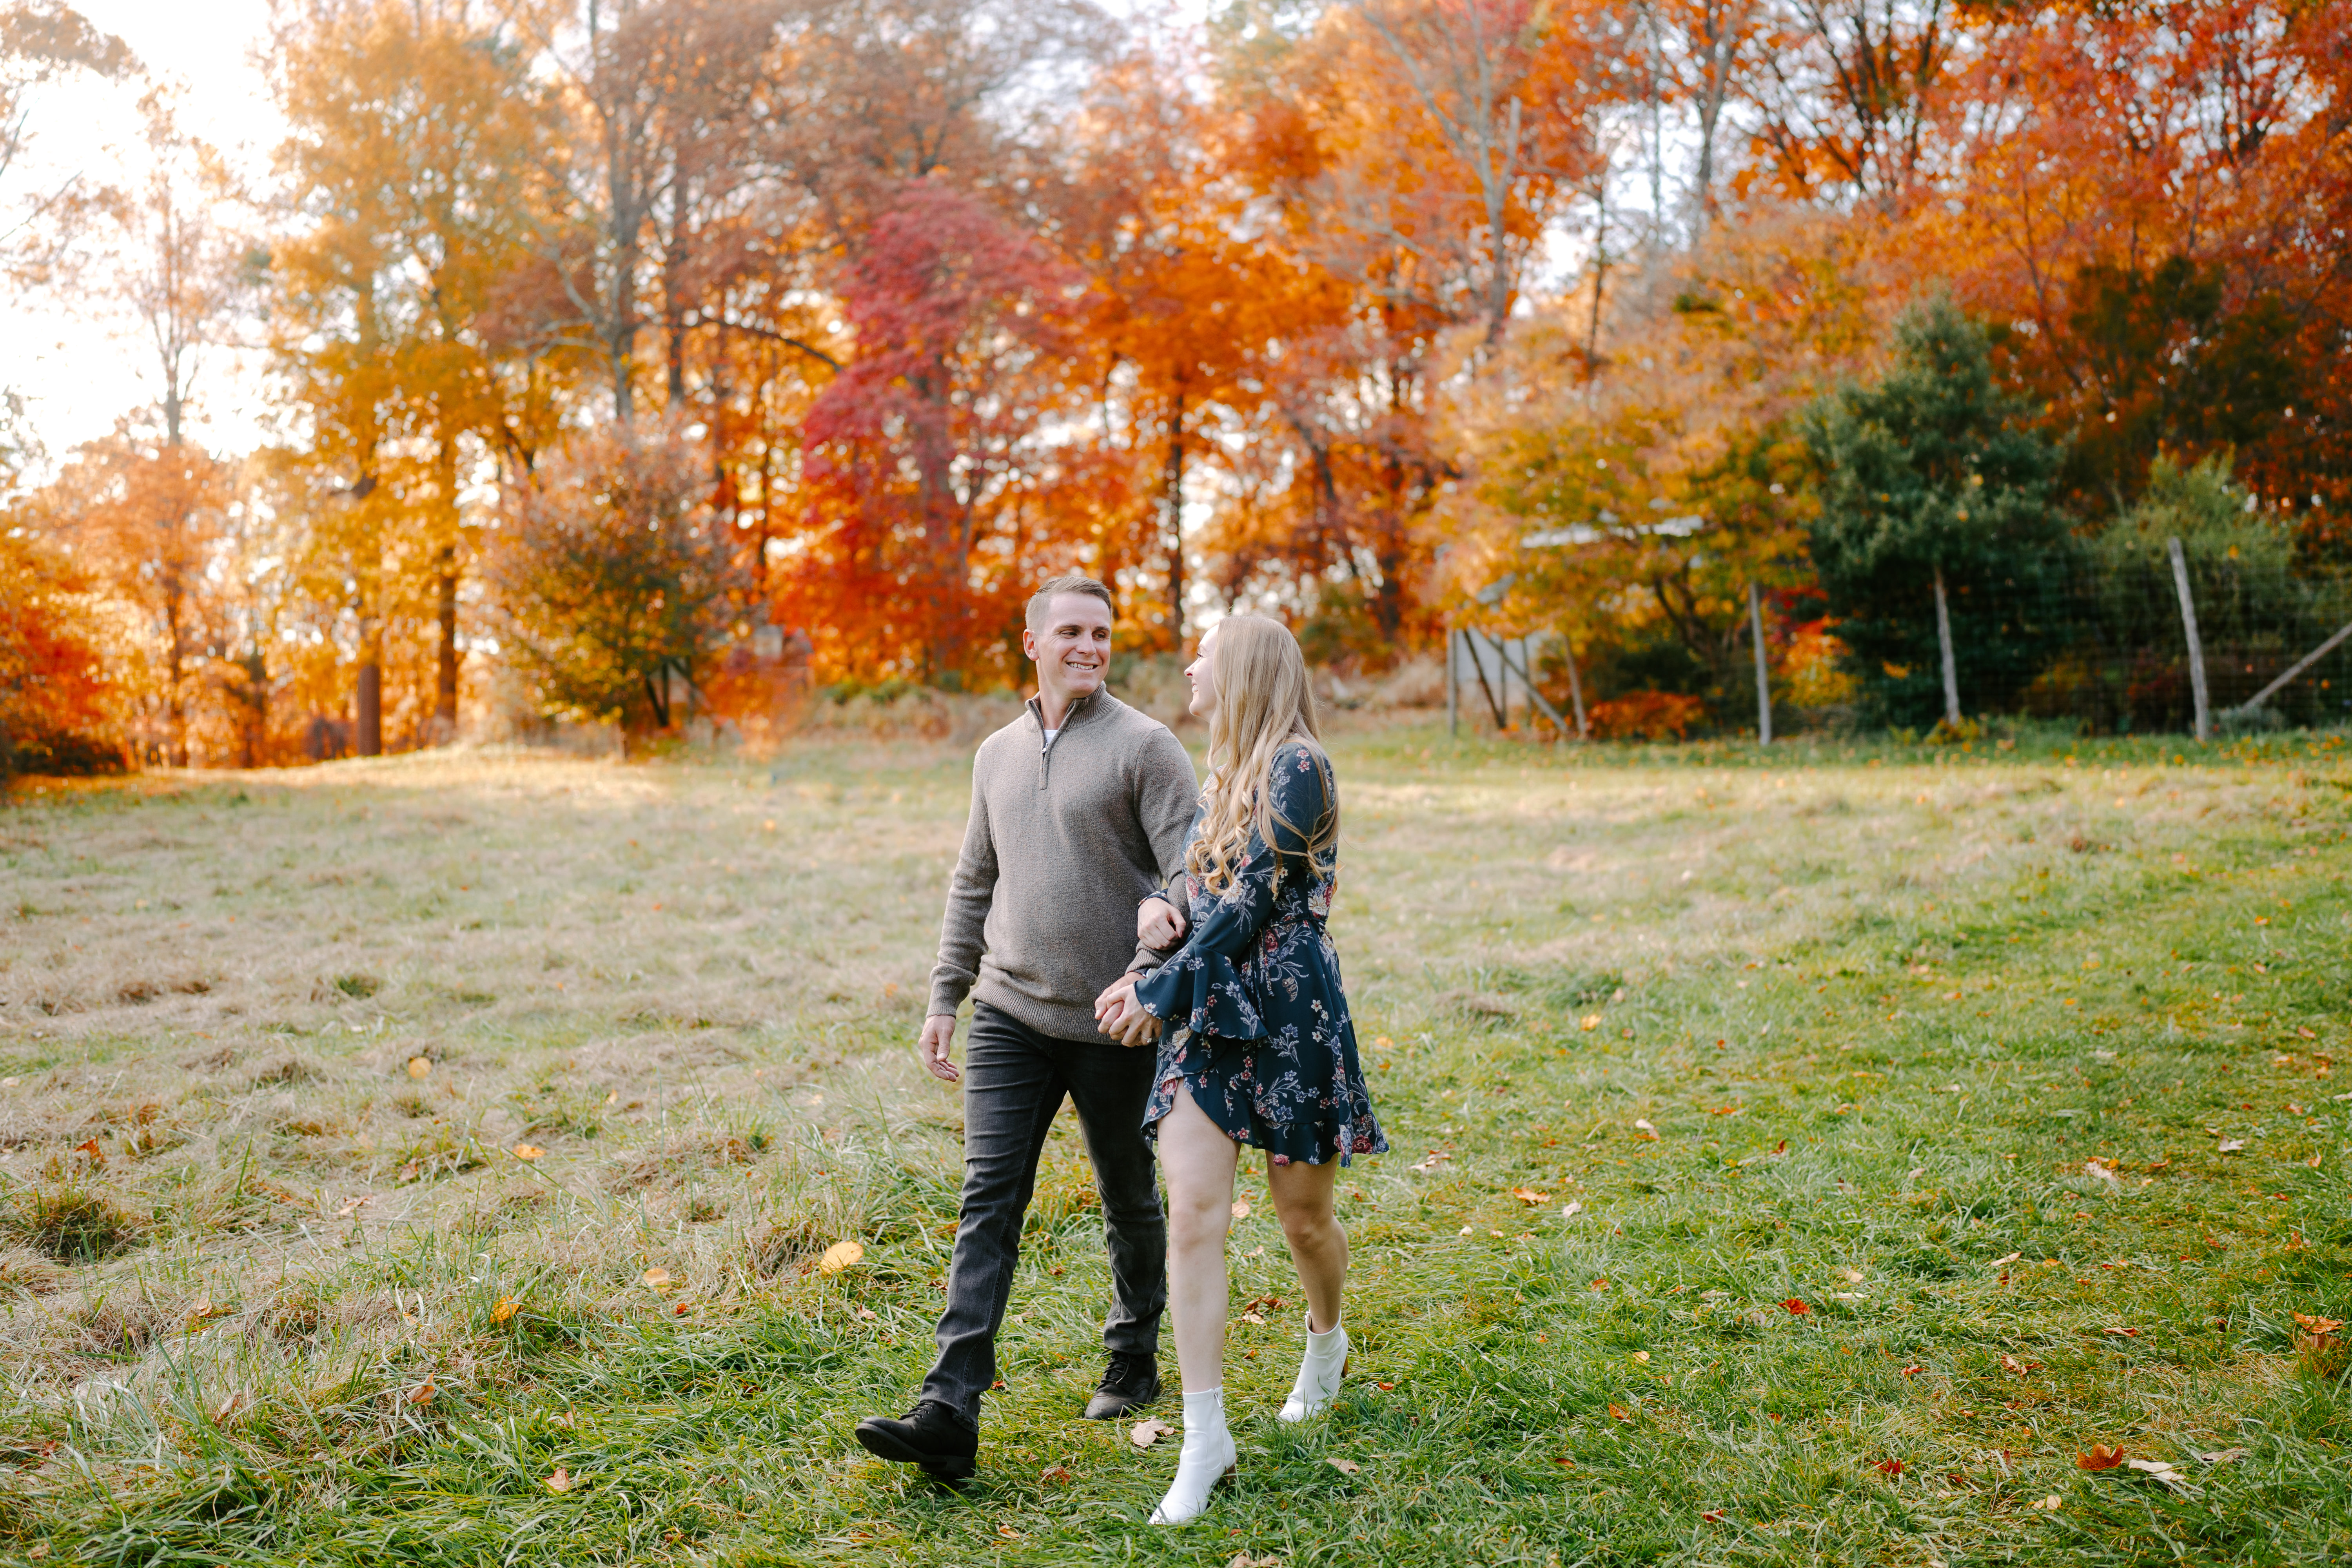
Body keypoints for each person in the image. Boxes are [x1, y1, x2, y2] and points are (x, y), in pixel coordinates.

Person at [852, 574, 1200, 1484]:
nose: (1090, 645)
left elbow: (1194, 873)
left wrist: (1153, 960)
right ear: (1032, 641)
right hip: (1010, 1010)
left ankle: (1131, 1353)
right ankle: (949, 1407)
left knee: (1128, 1191)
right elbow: (974, 880)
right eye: (1073, 631)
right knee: (988, 1200)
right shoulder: (995, 754)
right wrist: (944, 997)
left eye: (1103, 633)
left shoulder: (1147, 746)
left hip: (1114, 1018)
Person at [1094, 615, 1387, 1526]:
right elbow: (1199, 898)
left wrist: (1162, 987)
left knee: (1305, 1220)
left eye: (1205, 656)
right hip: (1210, 1012)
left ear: (1246, 669)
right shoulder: (1218, 775)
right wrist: (1155, 925)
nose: (1189, 667)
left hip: (1289, 1012)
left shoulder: (1301, 766)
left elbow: (1255, 900)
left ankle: (1326, 1339)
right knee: (1193, 1213)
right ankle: (1204, 1435)